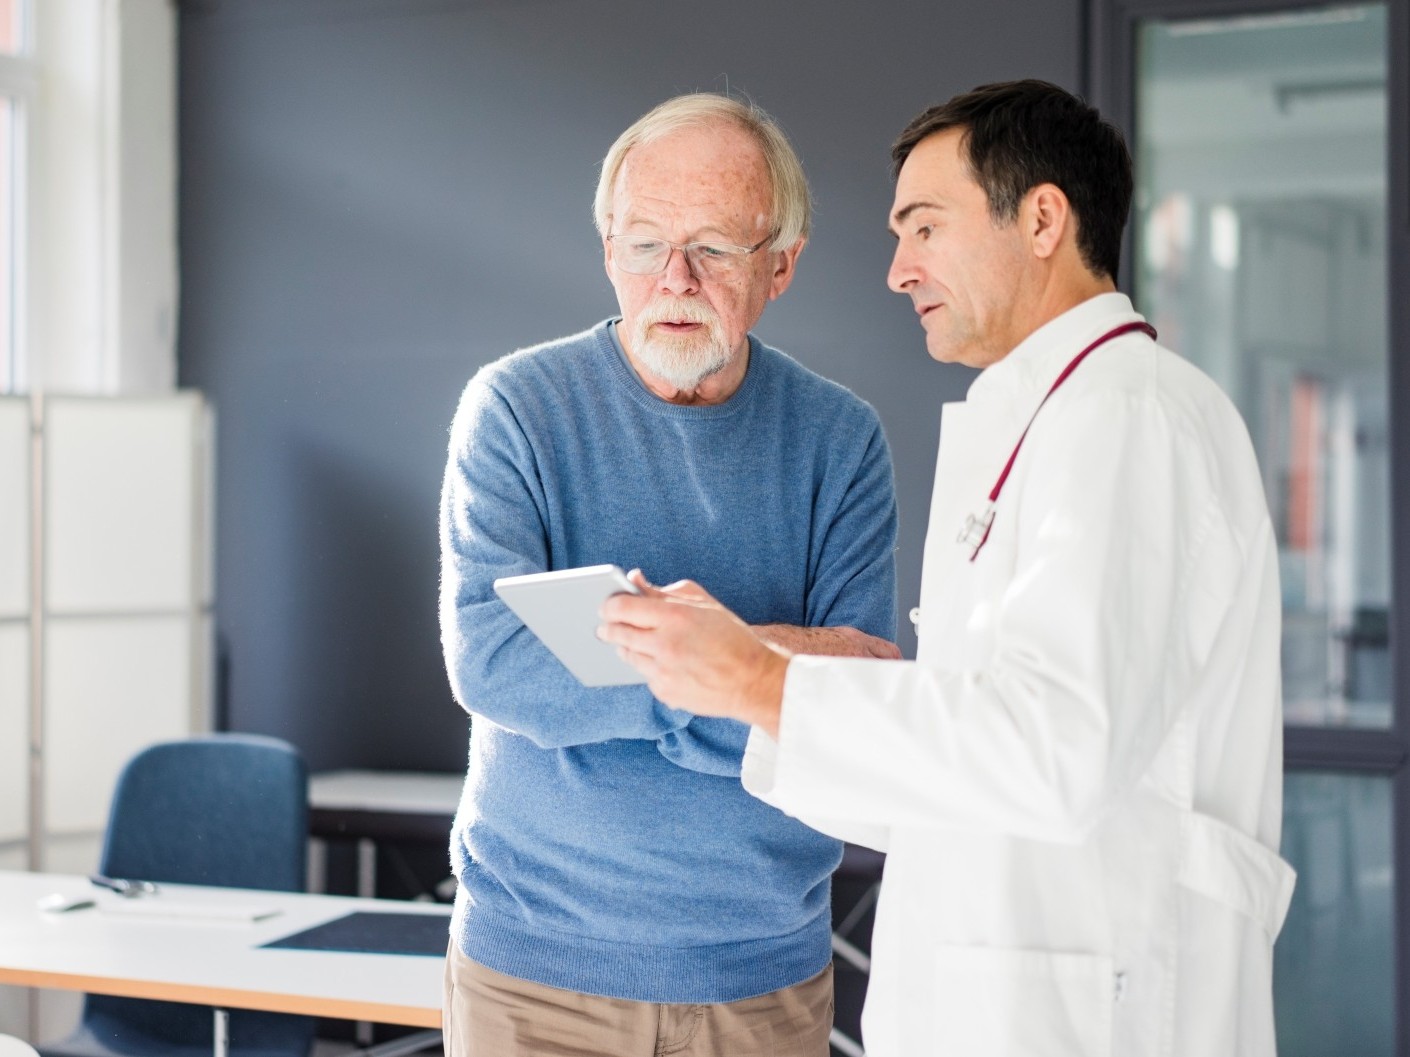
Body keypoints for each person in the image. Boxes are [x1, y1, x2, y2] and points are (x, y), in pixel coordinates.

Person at [601, 80, 1297, 1057]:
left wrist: (764, 680)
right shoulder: (1050, 417)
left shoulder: (1127, 416)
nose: (897, 270)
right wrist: (743, 688)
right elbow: (963, 766)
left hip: (1096, 1000)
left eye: (924, 228)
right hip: (1005, 987)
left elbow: (1056, 751)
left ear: (1044, 217)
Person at [437, 92, 899, 1057]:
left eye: (715, 248)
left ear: (781, 263)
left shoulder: (842, 441)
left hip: (763, 976)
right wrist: (735, 670)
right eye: (645, 243)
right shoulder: (515, 410)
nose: (675, 278)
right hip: (537, 976)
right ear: (609, 249)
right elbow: (492, 662)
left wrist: (635, 653)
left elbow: (860, 685)